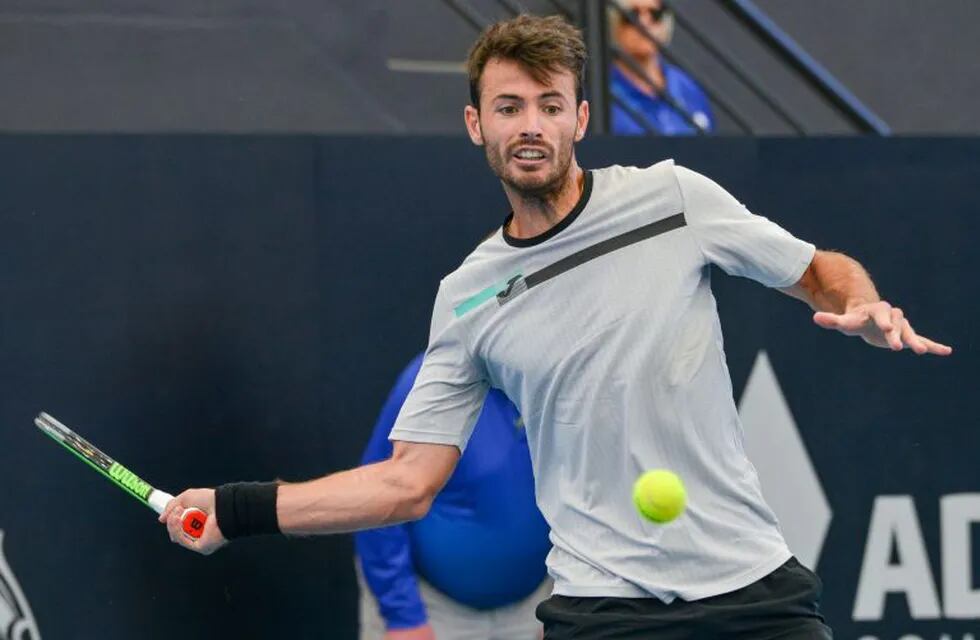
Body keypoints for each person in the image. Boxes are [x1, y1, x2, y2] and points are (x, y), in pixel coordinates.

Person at [160, 14, 952, 639]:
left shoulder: (674, 198)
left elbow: (818, 267)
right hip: (601, 608)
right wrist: (235, 510)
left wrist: (859, 302)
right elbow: (406, 486)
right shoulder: (468, 298)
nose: (529, 125)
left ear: (579, 116)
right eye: (509, 107)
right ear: (477, 124)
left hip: (751, 589)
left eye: (548, 105)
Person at [355, 353, 551, 640]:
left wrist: (566, 598)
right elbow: (378, 503)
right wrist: (403, 617)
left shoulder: (560, 379)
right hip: (431, 613)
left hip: (535, 610)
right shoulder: (427, 382)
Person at [608, 0, 715, 135]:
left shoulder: (686, 88)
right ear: (615, 21)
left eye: (655, 14)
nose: (644, 23)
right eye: (632, 15)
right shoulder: (600, 91)